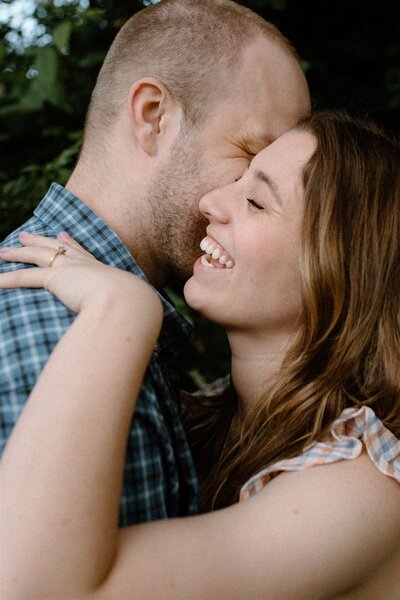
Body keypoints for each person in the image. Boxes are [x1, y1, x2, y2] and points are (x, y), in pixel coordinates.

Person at [1, 111, 399, 600]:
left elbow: (37, 589)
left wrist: (121, 308)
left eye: (255, 201)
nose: (209, 203)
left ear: (339, 269)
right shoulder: (207, 414)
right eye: (235, 180)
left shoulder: (362, 492)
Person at [0, 0, 311, 525]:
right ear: (153, 117)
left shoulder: (99, 321)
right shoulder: (61, 345)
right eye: (251, 157)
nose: (235, 199)